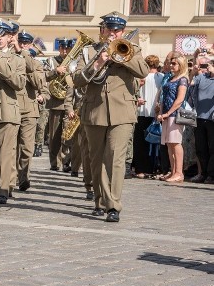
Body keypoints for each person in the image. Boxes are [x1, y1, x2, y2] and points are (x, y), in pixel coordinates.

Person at [73, 12, 148, 222]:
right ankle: (99, 200)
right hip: (94, 112)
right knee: (96, 160)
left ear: (123, 32)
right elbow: (77, 79)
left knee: (115, 159)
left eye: (117, 30)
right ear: (102, 30)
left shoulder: (134, 50)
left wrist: (124, 57)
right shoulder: (88, 52)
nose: (113, 33)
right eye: (109, 29)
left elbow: (143, 71)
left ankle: (113, 205)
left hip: (122, 112)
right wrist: (97, 63)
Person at [0, 20, 26, 203]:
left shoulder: (18, 60)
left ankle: (2, 190)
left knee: (4, 154)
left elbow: (18, 83)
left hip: (7, 111)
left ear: (11, 37)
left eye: (3, 35)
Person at [15, 31, 48, 191]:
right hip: (12, 108)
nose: (22, 46)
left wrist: (26, 60)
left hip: (29, 110)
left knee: (26, 148)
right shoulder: (9, 59)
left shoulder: (36, 64)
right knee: (9, 147)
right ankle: (8, 177)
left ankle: (23, 177)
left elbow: (39, 83)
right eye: (20, 42)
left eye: (26, 44)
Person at [155, 55, 189, 183]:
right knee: (169, 144)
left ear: (181, 65)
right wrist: (161, 111)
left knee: (176, 143)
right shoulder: (171, 78)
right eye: (171, 63)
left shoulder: (183, 79)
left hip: (175, 115)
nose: (171, 65)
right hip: (166, 114)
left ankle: (179, 173)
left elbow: (179, 100)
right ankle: (173, 171)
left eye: (174, 63)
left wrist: (168, 113)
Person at [44, 38, 75, 171]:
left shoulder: (74, 63)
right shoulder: (51, 61)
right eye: (62, 48)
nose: (64, 51)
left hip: (70, 103)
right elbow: (43, 77)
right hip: (55, 102)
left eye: (67, 49)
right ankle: (54, 162)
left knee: (68, 134)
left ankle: (66, 161)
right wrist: (56, 71)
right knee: (54, 135)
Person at [132, 55, 163, 177]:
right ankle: (153, 168)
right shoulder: (161, 77)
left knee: (140, 142)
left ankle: (140, 169)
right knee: (155, 143)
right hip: (155, 113)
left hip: (141, 112)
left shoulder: (140, 77)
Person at [190, 53, 214, 183]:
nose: (207, 67)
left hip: (212, 119)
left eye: (208, 64)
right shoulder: (202, 77)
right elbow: (191, 82)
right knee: (201, 148)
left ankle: (211, 174)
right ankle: (203, 173)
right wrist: (193, 72)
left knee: (212, 148)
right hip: (199, 118)